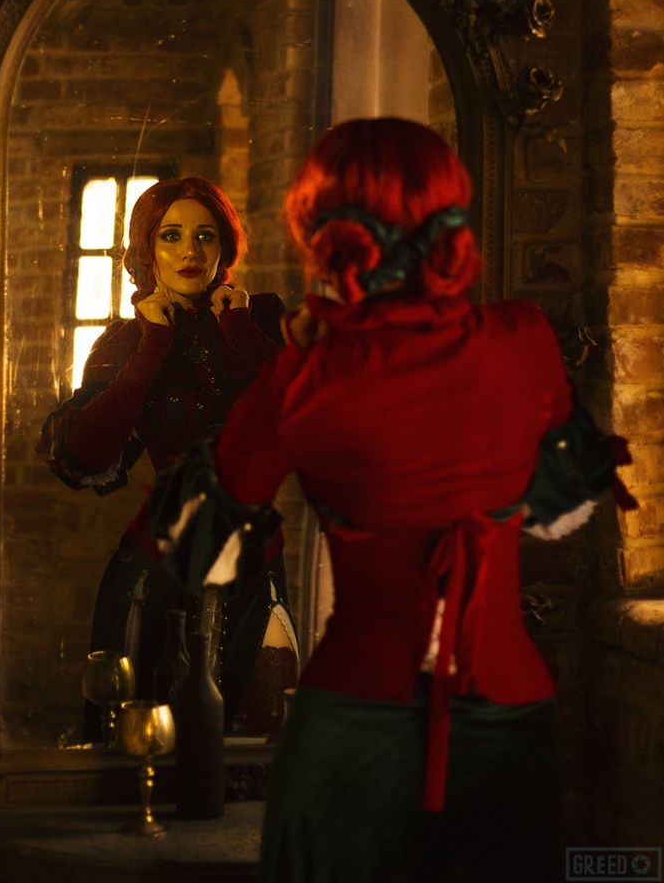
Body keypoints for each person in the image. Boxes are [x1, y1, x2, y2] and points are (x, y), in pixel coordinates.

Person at [148, 119, 634, 883]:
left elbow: (199, 558)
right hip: (507, 706)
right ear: (448, 216)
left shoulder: (301, 373)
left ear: (321, 229)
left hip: (352, 710)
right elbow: (561, 507)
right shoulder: (523, 338)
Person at [36, 176, 298, 741]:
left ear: (224, 248)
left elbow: (317, 414)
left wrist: (241, 331)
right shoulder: (125, 342)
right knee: (144, 739)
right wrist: (152, 345)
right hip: (156, 566)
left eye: (206, 236)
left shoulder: (262, 322)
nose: (189, 251)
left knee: (258, 742)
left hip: (255, 558)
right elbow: (85, 456)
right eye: (171, 235)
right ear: (147, 248)